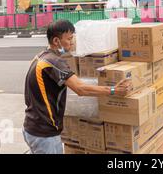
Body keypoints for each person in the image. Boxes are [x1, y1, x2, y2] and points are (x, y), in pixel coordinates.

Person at [22, 20, 132, 154]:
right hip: (44, 133)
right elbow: (80, 88)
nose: (72, 42)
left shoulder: (41, 57)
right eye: (69, 39)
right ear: (56, 41)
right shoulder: (54, 62)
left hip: (35, 127)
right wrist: (113, 90)